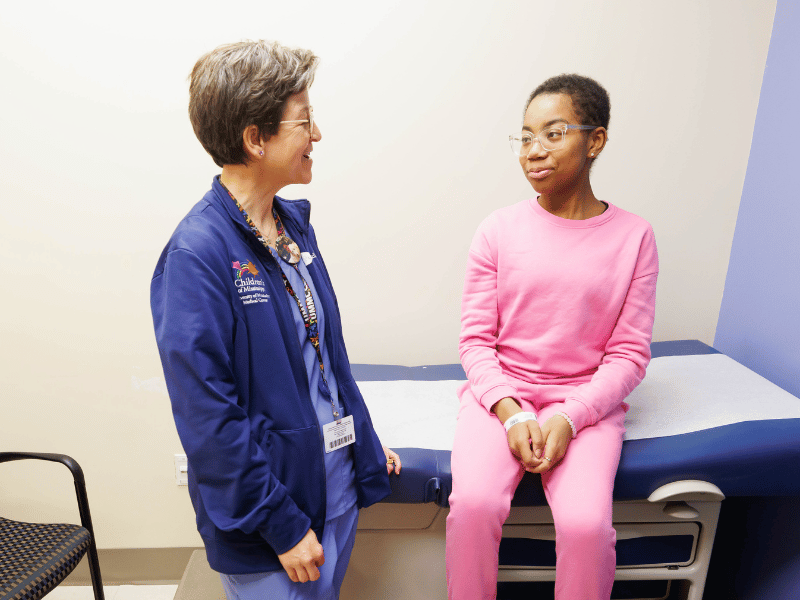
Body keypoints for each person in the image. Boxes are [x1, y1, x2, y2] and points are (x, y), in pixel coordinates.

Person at [150, 40, 401, 600]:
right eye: (305, 121)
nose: (318, 135)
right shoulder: (198, 255)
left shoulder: (291, 227)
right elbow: (208, 420)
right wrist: (281, 525)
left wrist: (359, 441)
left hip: (329, 487)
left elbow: (323, 358)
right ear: (255, 138)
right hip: (274, 524)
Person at [445, 74, 658, 600]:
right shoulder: (497, 229)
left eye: (553, 133)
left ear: (596, 140)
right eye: (525, 136)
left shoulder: (635, 237)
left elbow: (629, 354)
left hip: (584, 405)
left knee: (586, 527)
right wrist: (511, 411)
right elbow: (475, 342)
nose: (533, 151)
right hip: (501, 399)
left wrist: (570, 415)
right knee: (472, 505)